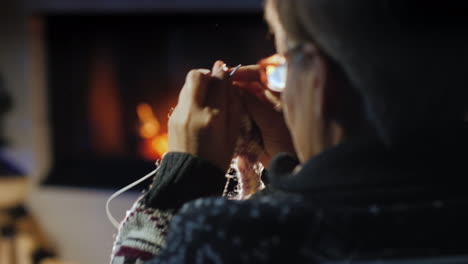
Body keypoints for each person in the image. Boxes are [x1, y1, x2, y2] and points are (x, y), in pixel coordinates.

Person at [110, 0, 468, 263]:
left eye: (281, 63)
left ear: (316, 76)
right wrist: (293, 165)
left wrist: (183, 179)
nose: (276, 83)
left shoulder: (227, 239)